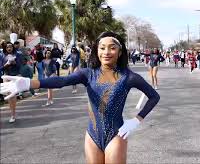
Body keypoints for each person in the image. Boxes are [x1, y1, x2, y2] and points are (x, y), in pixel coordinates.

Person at [0, 31, 160, 163]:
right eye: (102, 48)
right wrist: (30, 83)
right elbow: (61, 81)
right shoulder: (87, 74)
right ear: (97, 50)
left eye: (112, 48)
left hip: (116, 135)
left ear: (119, 52)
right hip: (92, 136)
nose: (106, 52)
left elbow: (154, 96)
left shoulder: (128, 77)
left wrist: (136, 120)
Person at [2, 42, 20, 123]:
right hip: (6, 76)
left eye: (10, 47)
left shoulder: (17, 55)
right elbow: (1, 68)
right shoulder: (2, 56)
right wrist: (6, 64)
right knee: (9, 95)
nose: (9, 48)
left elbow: (20, 66)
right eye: (7, 47)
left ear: (13, 48)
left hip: (14, 76)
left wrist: (14, 63)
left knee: (13, 95)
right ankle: (12, 114)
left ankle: (13, 113)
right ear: (5, 48)